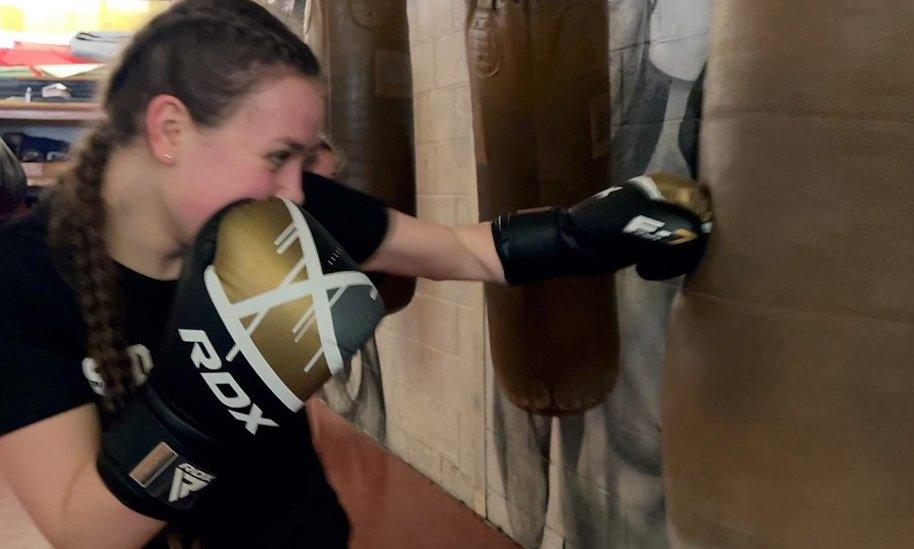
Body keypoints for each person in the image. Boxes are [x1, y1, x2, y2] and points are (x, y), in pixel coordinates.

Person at [0, 1, 710, 547]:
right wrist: (199, 410)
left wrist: (583, 232)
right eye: (278, 153)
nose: (300, 192)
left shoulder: (277, 205)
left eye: (306, 157)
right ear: (170, 130)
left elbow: (459, 250)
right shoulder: (25, 280)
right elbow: (79, 528)